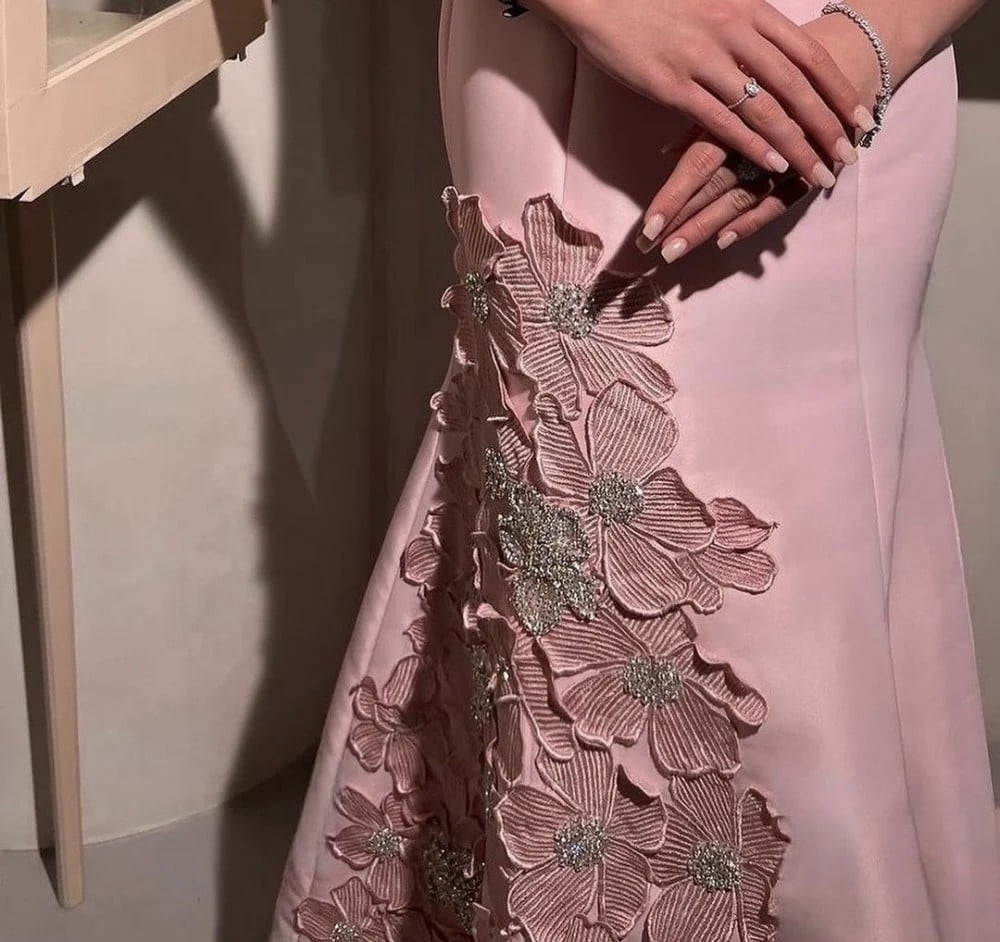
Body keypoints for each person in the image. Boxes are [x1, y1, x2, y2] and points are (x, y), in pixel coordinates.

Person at [269, 1, 1000, 939]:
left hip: (853, 60)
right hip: (559, 52)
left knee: (823, 584)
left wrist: (870, 46)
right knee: (568, 553)